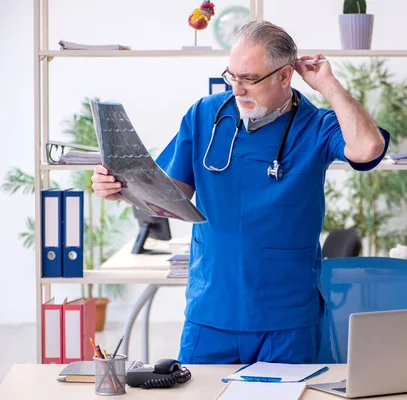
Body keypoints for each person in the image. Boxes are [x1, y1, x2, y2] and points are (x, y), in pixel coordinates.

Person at [91, 20, 390, 364]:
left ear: (284, 75)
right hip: (211, 311)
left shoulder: (317, 126)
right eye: (231, 76)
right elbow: (170, 195)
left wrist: (329, 85)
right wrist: (122, 188)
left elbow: (367, 148)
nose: (237, 89)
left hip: (287, 319)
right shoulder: (205, 115)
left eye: (250, 79)